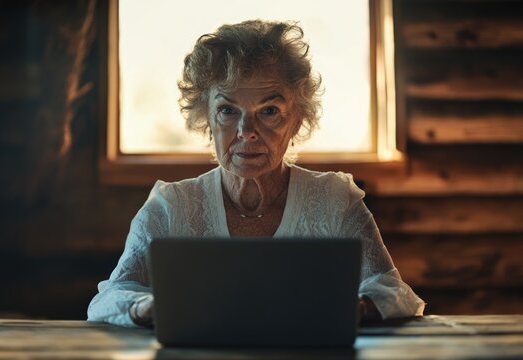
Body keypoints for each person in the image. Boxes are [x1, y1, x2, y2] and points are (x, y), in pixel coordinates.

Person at [88, 19, 425, 327]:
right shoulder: (170, 205)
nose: (247, 131)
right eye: (227, 110)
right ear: (205, 119)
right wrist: (145, 306)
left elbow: (392, 290)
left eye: (269, 110)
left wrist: (357, 306)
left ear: (297, 120)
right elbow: (108, 298)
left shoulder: (335, 200)